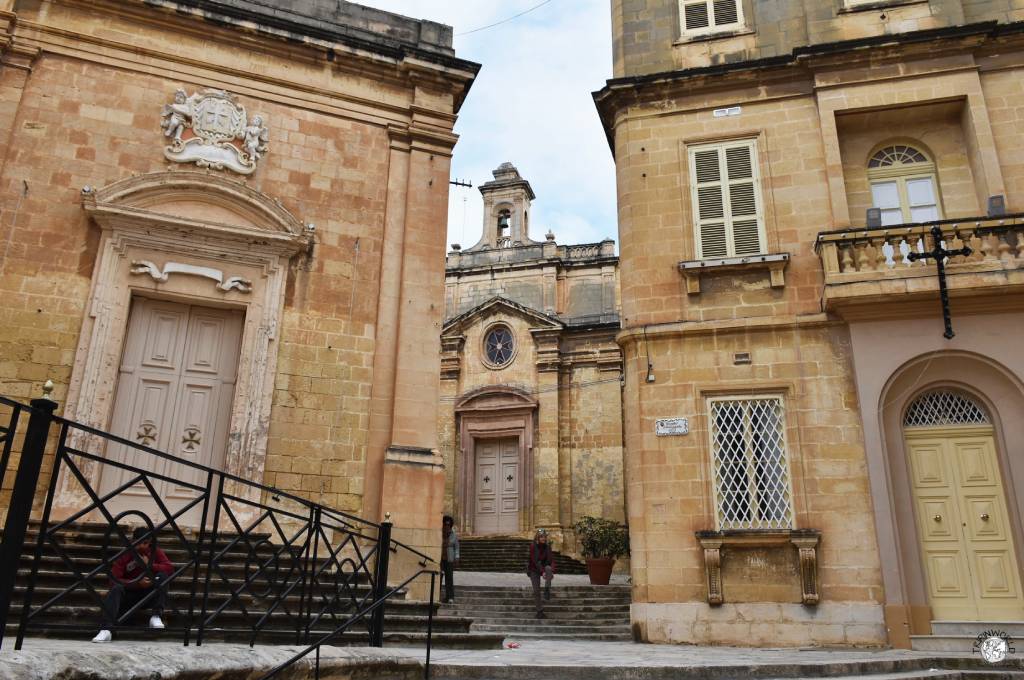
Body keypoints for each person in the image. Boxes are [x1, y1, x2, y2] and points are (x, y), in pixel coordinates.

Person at [92, 526, 174, 642]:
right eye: (139, 542)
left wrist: (150, 565)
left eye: (145, 543)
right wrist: (136, 583)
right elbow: (113, 580)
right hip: (129, 595)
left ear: (149, 543)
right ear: (133, 541)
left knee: (163, 576)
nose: (142, 546)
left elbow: (169, 568)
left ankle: (156, 616)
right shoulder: (125, 554)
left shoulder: (154, 551)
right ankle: (106, 629)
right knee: (116, 588)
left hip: (148, 595)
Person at [526, 528, 555, 619]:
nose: (543, 538)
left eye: (544, 537)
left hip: (543, 567)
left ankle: (547, 589)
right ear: (537, 538)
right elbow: (535, 561)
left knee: (549, 568)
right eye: (541, 537)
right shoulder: (533, 546)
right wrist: (542, 572)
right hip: (534, 569)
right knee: (536, 591)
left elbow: (551, 560)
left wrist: (551, 572)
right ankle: (539, 611)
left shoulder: (547, 546)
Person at [440, 515, 460, 603]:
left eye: (448, 524)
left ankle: (450, 597)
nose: (447, 526)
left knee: (449, 578)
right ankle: (436, 595)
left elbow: (456, 547)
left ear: (450, 525)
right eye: (445, 524)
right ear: (443, 524)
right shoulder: (439, 533)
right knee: (438, 577)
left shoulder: (453, 535)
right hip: (440, 559)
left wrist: (457, 557)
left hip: (449, 559)